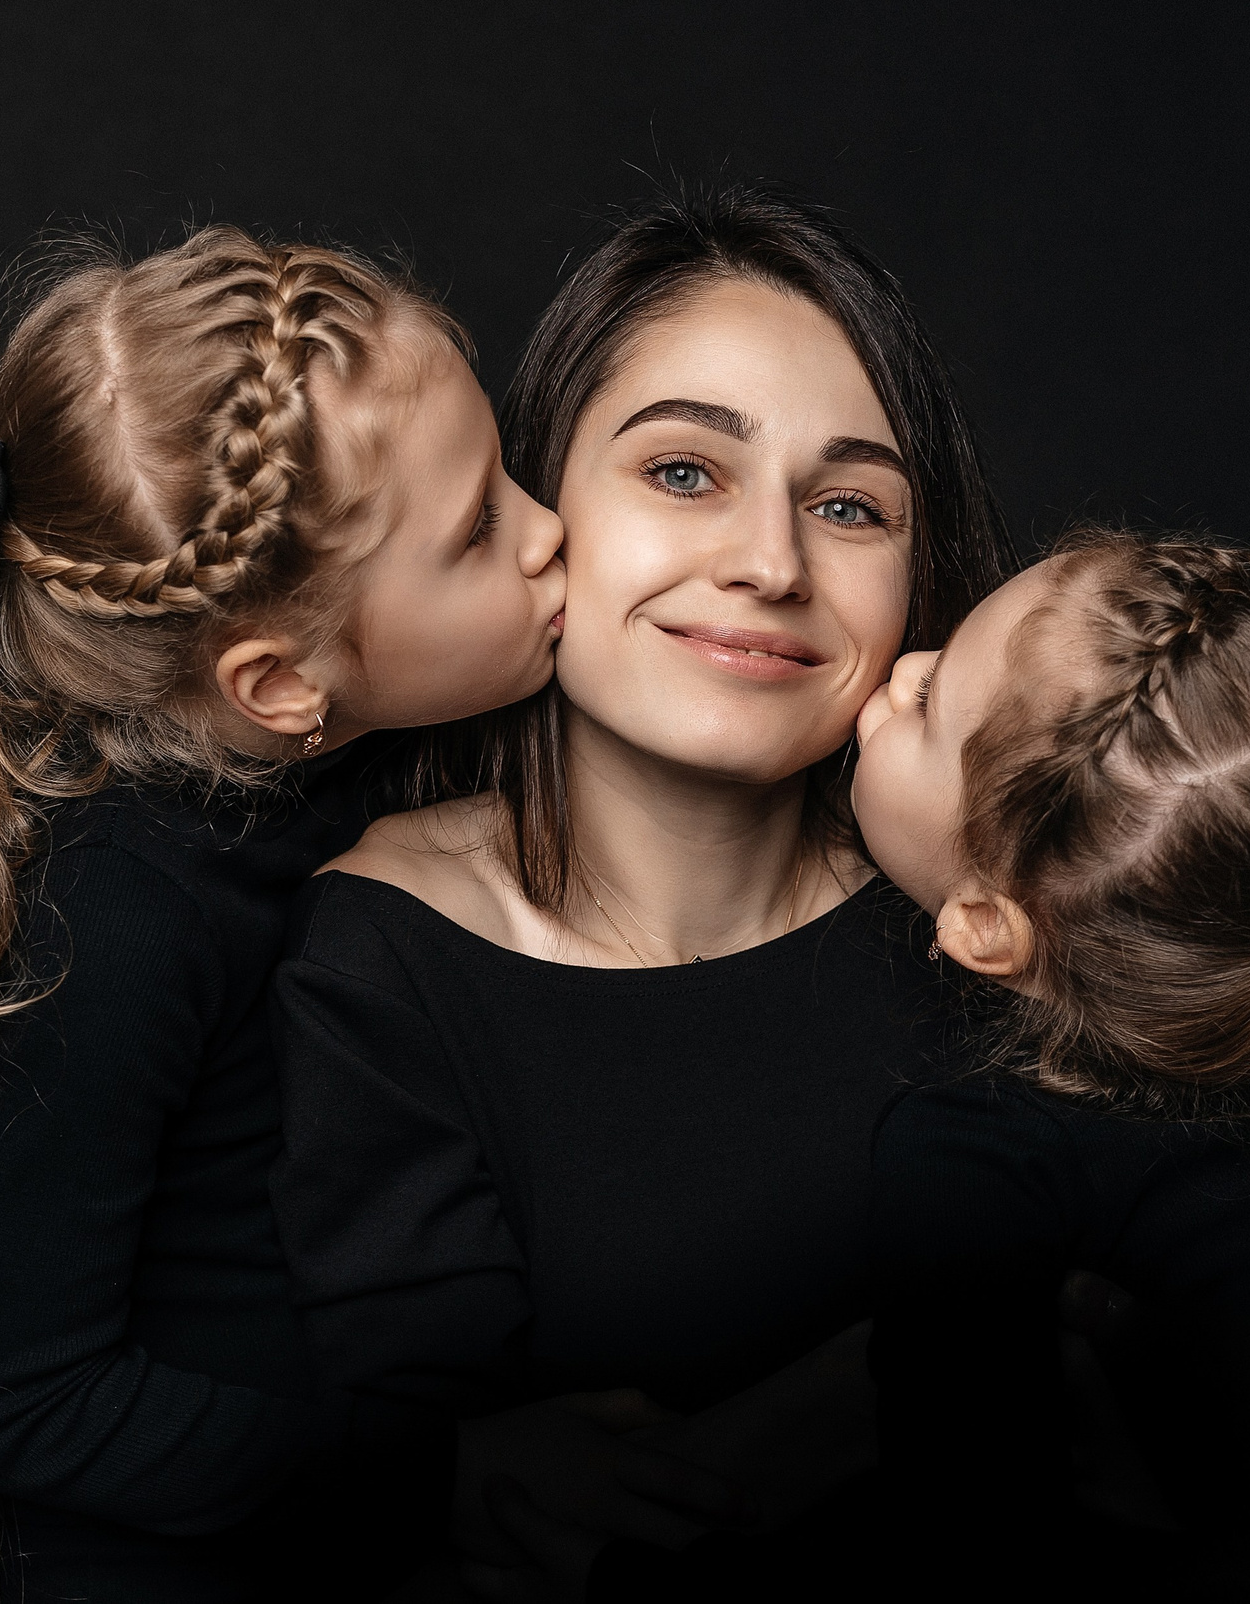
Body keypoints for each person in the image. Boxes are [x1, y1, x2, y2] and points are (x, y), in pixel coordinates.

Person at [0, 227, 567, 1604]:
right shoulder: (122, 916)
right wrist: (403, 1454)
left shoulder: (356, 772)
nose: (551, 527)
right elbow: (22, 1399)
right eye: (480, 529)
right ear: (278, 684)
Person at [267, 186, 1011, 1599]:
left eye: (851, 504)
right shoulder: (368, 961)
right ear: (536, 508)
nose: (772, 562)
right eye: (684, 472)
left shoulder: (990, 934)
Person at [850, 529, 1250, 1598]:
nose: (901, 668)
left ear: (982, 929)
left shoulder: (966, 1160)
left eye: (923, 712)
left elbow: (957, 1525)